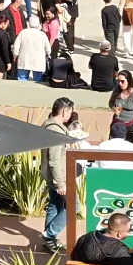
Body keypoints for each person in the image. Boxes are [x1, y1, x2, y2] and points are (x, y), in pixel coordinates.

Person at [40, 99, 83, 249]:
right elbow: (54, 159)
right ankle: (49, 234)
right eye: (70, 111)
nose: (70, 115)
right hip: (60, 176)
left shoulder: (48, 125)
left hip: (51, 175)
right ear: (64, 111)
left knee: (55, 205)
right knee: (74, 207)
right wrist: (61, 184)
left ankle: (49, 241)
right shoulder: (56, 131)